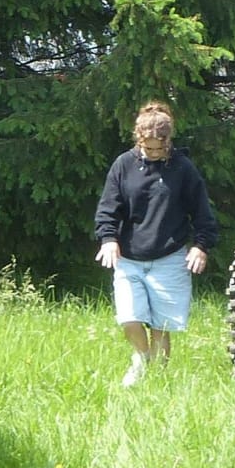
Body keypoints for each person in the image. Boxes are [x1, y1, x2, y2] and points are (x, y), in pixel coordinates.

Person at [94, 101, 218, 387]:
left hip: (169, 258)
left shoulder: (183, 168)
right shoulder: (123, 165)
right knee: (129, 318)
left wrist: (201, 246)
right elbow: (108, 208)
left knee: (161, 326)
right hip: (129, 259)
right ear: (138, 139)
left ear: (168, 141)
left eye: (159, 149)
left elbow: (202, 212)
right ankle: (141, 359)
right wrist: (108, 239)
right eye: (148, 149)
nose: (154, 154)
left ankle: (157, 383)